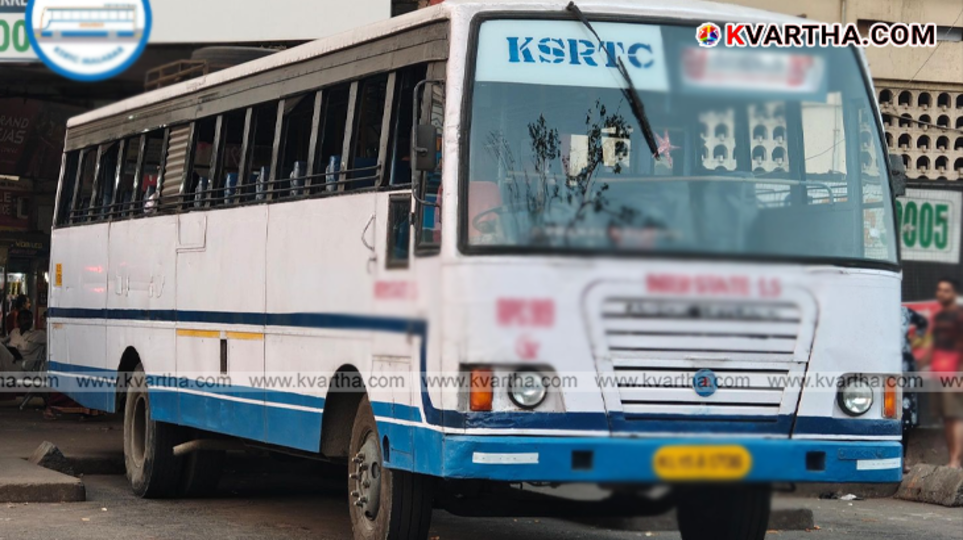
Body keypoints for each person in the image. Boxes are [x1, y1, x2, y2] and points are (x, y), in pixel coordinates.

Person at [925, 278, 963, 469]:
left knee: (956, 417)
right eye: (939, 290)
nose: (941, 293)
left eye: (946, 290)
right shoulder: (939, 317)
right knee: (947, 418)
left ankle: (955, 461)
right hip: (937, 373)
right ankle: (952, 458)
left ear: (954, 294)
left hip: (954, 374)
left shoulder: (959, 316)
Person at [901, 305, 928, 472]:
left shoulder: (904, 311)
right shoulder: (871, 306)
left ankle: (902, 459)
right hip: (878, 361)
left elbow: (922, 323)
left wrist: (916, 341)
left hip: (904, 364)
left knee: (905, 415)